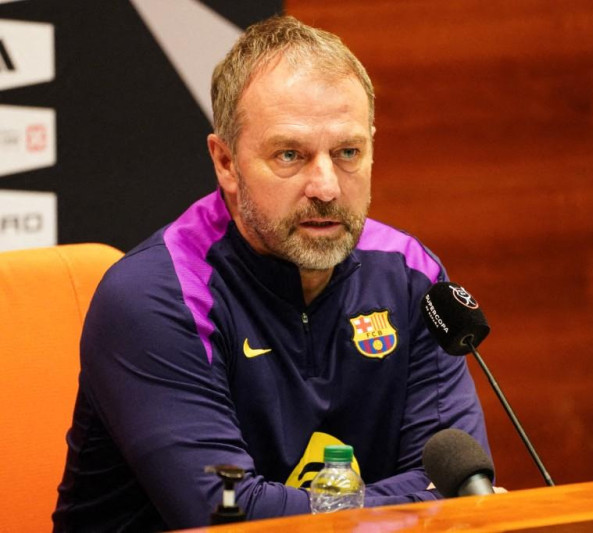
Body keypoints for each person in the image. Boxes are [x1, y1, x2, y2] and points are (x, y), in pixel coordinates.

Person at [53, 15, 490, 531]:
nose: (326, 186)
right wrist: (407, 501)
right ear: (225, 162)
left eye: (348, 152)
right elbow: (230, 516)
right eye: (291, 155)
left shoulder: (411, 275)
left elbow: (457, 481)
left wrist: (414, 498)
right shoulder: (157, 297)